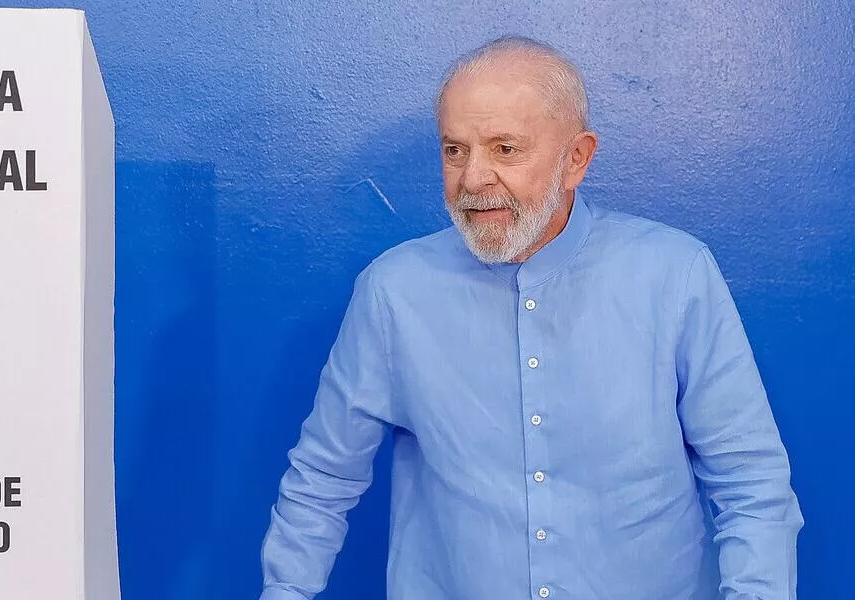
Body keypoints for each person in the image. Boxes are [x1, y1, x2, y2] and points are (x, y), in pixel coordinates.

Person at [258, 36, 802, 600]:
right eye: (455, 150)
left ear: (576, 159)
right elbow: (322, 482)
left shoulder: (676, 275)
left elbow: (751, 484)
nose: (473, 179)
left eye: (505, 149)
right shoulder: (393, 293)